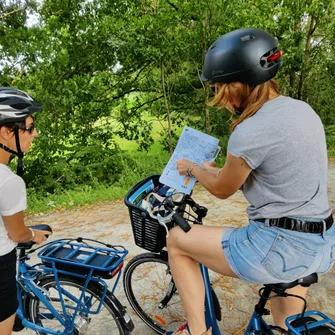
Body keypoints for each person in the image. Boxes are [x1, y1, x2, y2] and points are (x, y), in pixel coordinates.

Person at [167, 28, 335, 335]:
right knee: (285, 328)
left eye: (219, 88)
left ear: (236, 86)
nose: (219, 98)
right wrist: (216, 170)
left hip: (278, 246)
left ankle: (198, 332)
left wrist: (193, 169)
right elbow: (271, 172)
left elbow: (221, 189)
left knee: (176, 241)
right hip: (321, 243)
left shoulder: (250, 130)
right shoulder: (303, 110)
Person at [0, 87, 52, 335]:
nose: (35, 133)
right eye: (29, 128)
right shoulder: (8, 181)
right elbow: (18, 234)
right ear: (6, 132)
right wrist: (34, 235)